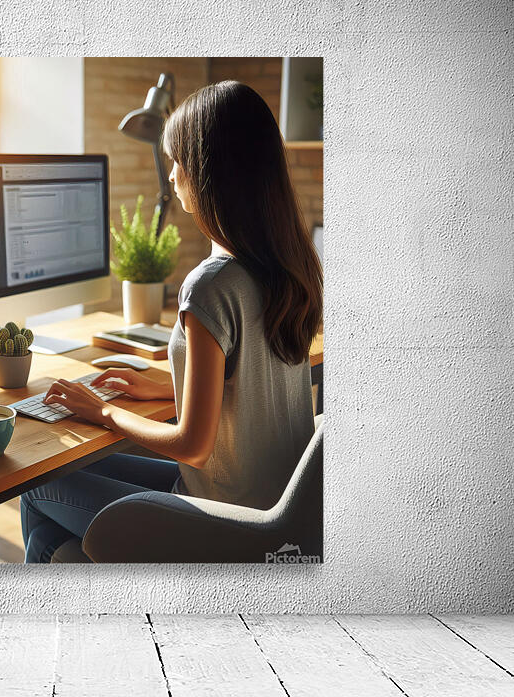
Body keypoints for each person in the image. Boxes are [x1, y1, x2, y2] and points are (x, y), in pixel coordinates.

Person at [20, 80, 324, 563]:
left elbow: (194, 445)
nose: (173, 177)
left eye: (178, 161)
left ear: (207, 174)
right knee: (48, 541)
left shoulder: (210, 286)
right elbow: (245, 381)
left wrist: (103, 412)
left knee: (37, 487)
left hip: (224, 521)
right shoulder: (287, 265)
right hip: (278, 512)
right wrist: (162, 387)